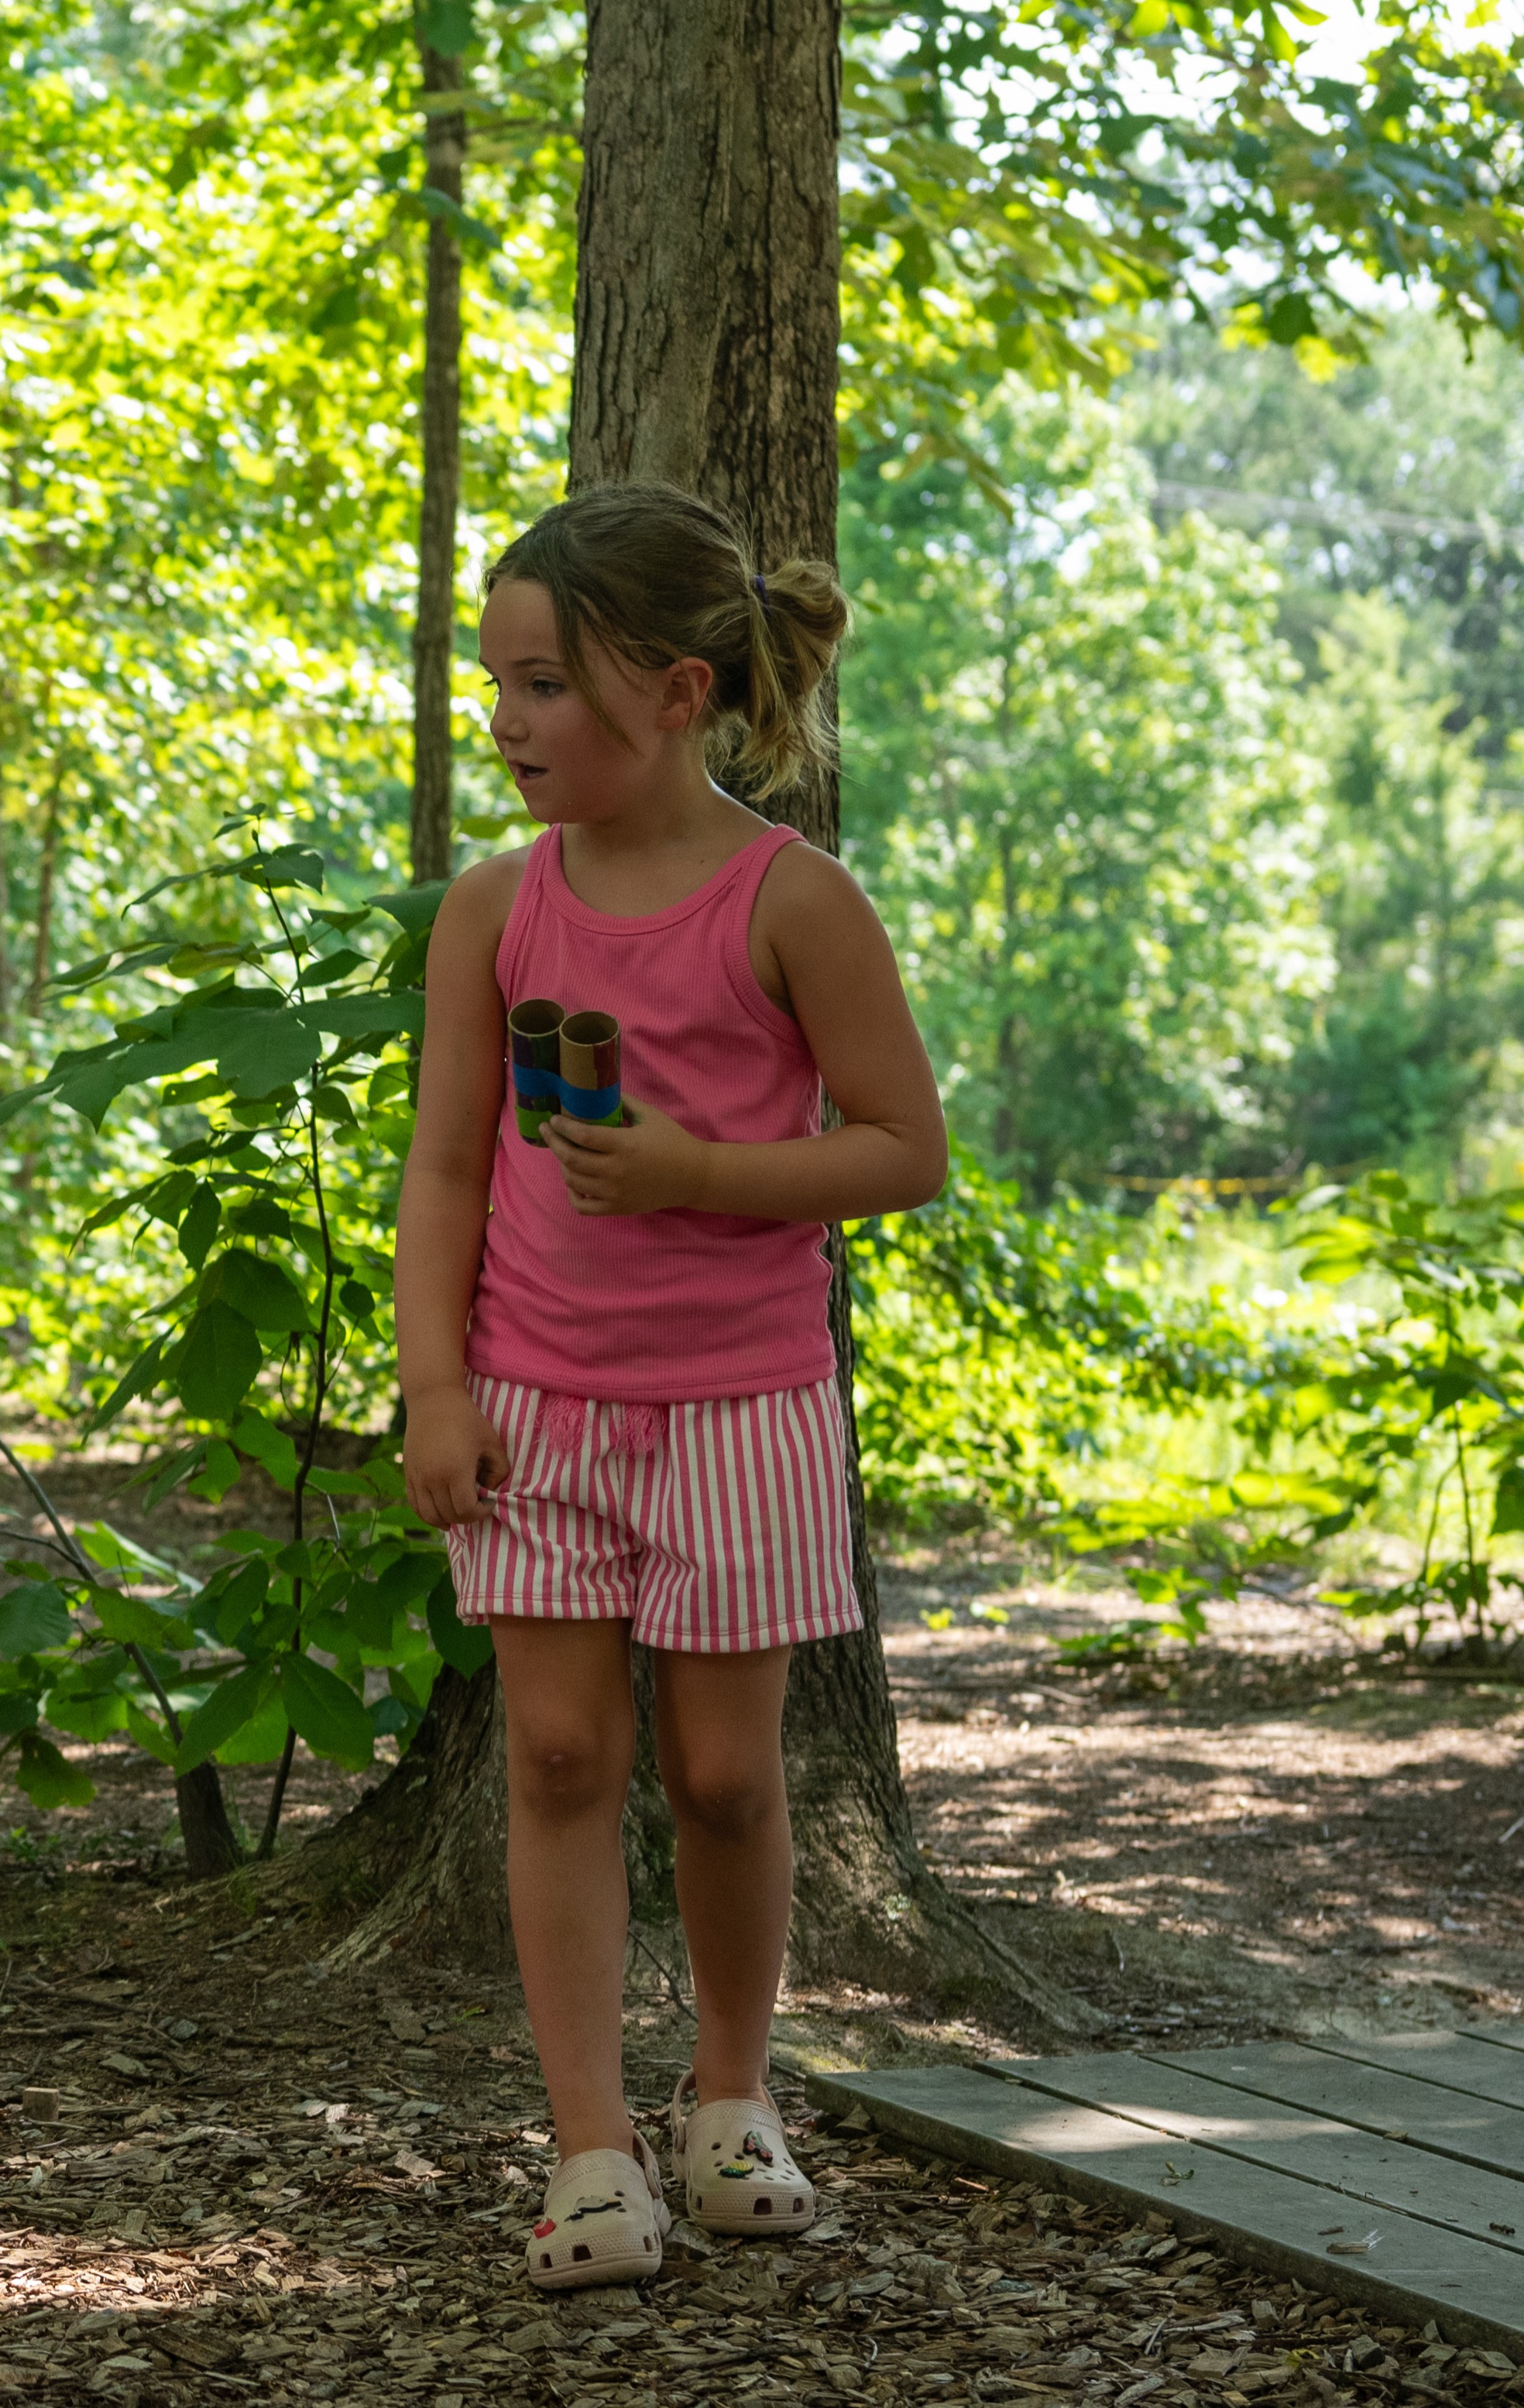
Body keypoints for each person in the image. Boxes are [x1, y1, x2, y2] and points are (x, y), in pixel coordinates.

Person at [396, 484, 948, 2291]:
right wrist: (434, 1389)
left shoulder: (795, 901)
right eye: (498, 684)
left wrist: (703, 1174)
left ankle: (728, 2098)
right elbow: (450, 1170)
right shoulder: (495, 908)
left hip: (743, 1408)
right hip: (535, 1404)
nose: (509, 721)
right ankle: (584, 2149)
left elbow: (900, 1150)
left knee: (721, 1774)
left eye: (544, 684)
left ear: (678, 692)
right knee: (556, 1752)